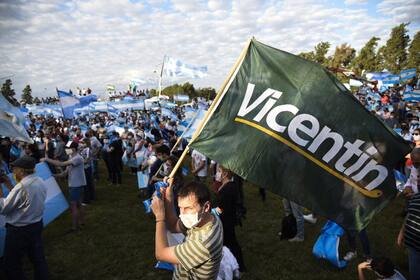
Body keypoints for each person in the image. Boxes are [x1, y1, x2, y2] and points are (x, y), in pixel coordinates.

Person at [151, 179, 223, 279]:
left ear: (206, 206)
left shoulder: (202, 243)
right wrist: (168, 196)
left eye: (189, 208)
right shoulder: (207, 218)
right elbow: (173, 226)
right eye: (180, 207)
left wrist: (160, 217)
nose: (182, 214)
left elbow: (161, 254)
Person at [0, 156, 49, 280]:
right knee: (38, 258)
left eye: (14, 169)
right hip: (36, 224)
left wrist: (0, 194)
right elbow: (23, 200)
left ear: (22, 171)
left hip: (19, 230)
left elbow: (5, 208)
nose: (13, 172)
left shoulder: (21, 187)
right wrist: (10, 185)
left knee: (12, 263)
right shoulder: (39, 180)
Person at [42, 141, 86, 231]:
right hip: (75, 184)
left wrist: (47, 159)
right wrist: (56, 175)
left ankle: (75, 227)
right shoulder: (71, 157)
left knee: (74, 206)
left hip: (76, 185)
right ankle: (81, 222)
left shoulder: (77, 158)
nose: (66, 150)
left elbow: (61, 164)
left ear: (73, 149)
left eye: (67, 149)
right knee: (78, 204)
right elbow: (66, 172)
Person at [214, 166, 246, 272]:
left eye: (219, 171)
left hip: (227, 220)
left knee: (231, 242)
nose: (217, 173)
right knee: (227, 242)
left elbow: (225, 208)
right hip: (223, 219)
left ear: (225, 173)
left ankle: (240, 266)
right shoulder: (224, 185)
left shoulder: (229, 188)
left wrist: (216, 211)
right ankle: (228, 264)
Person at [397, 148, 420, 280]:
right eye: (414, 162)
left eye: (417, 163)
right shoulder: (414, 167)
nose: (415, 165)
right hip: (414, 207)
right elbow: (411, 181)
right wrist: (407, 187)